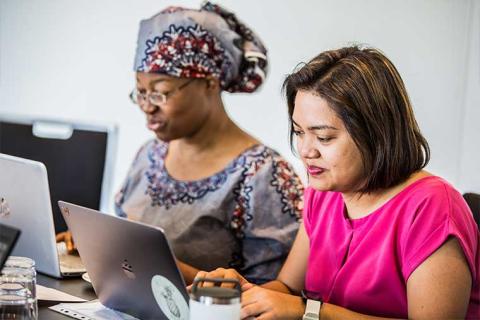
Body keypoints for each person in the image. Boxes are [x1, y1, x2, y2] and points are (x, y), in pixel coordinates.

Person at [195, 46, 480, 319]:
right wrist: (241, 294)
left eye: (323, 137)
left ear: (376, 133)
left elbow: (300, 307)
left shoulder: (432, 206)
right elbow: (288, 290)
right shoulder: (324, 193)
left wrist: (308, 311)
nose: (306, 151)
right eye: (299, 132)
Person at [112, 2, 304, 286]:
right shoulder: (149, 155)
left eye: (161, 93)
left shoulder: (264, 175)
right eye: (141, 92)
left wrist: (161, 266)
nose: (147, 107)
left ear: (210, 83)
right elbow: (121, 239)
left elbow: (274, 298)